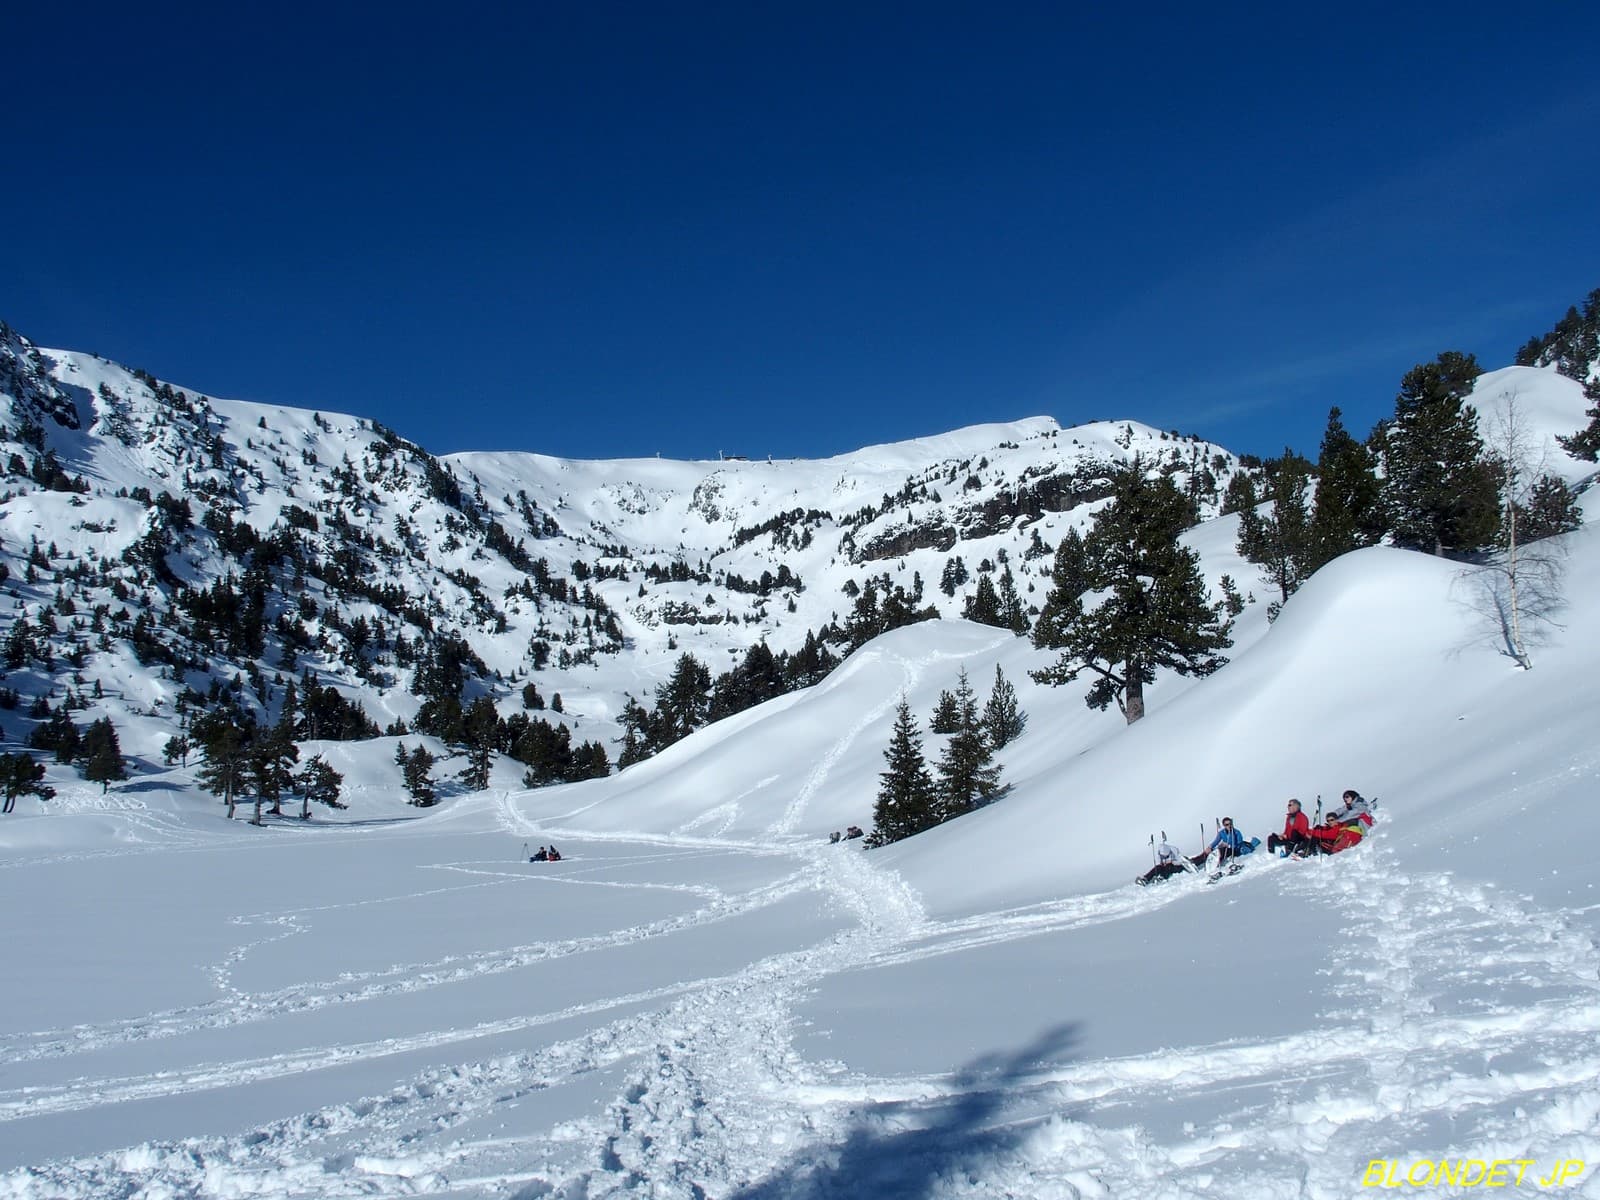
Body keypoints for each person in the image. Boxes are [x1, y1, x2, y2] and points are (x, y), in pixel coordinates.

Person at [1305, 790, 1373, 855]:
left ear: (1353, 796)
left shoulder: (1360, 806)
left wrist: (1336, 821)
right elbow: (1340, 810)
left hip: (1364, 831)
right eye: (1344, 798)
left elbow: (1349, 815)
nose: (1345, 799)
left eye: (1347, 797)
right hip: (1356, 830)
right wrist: (1332, 815)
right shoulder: (1351, 805)